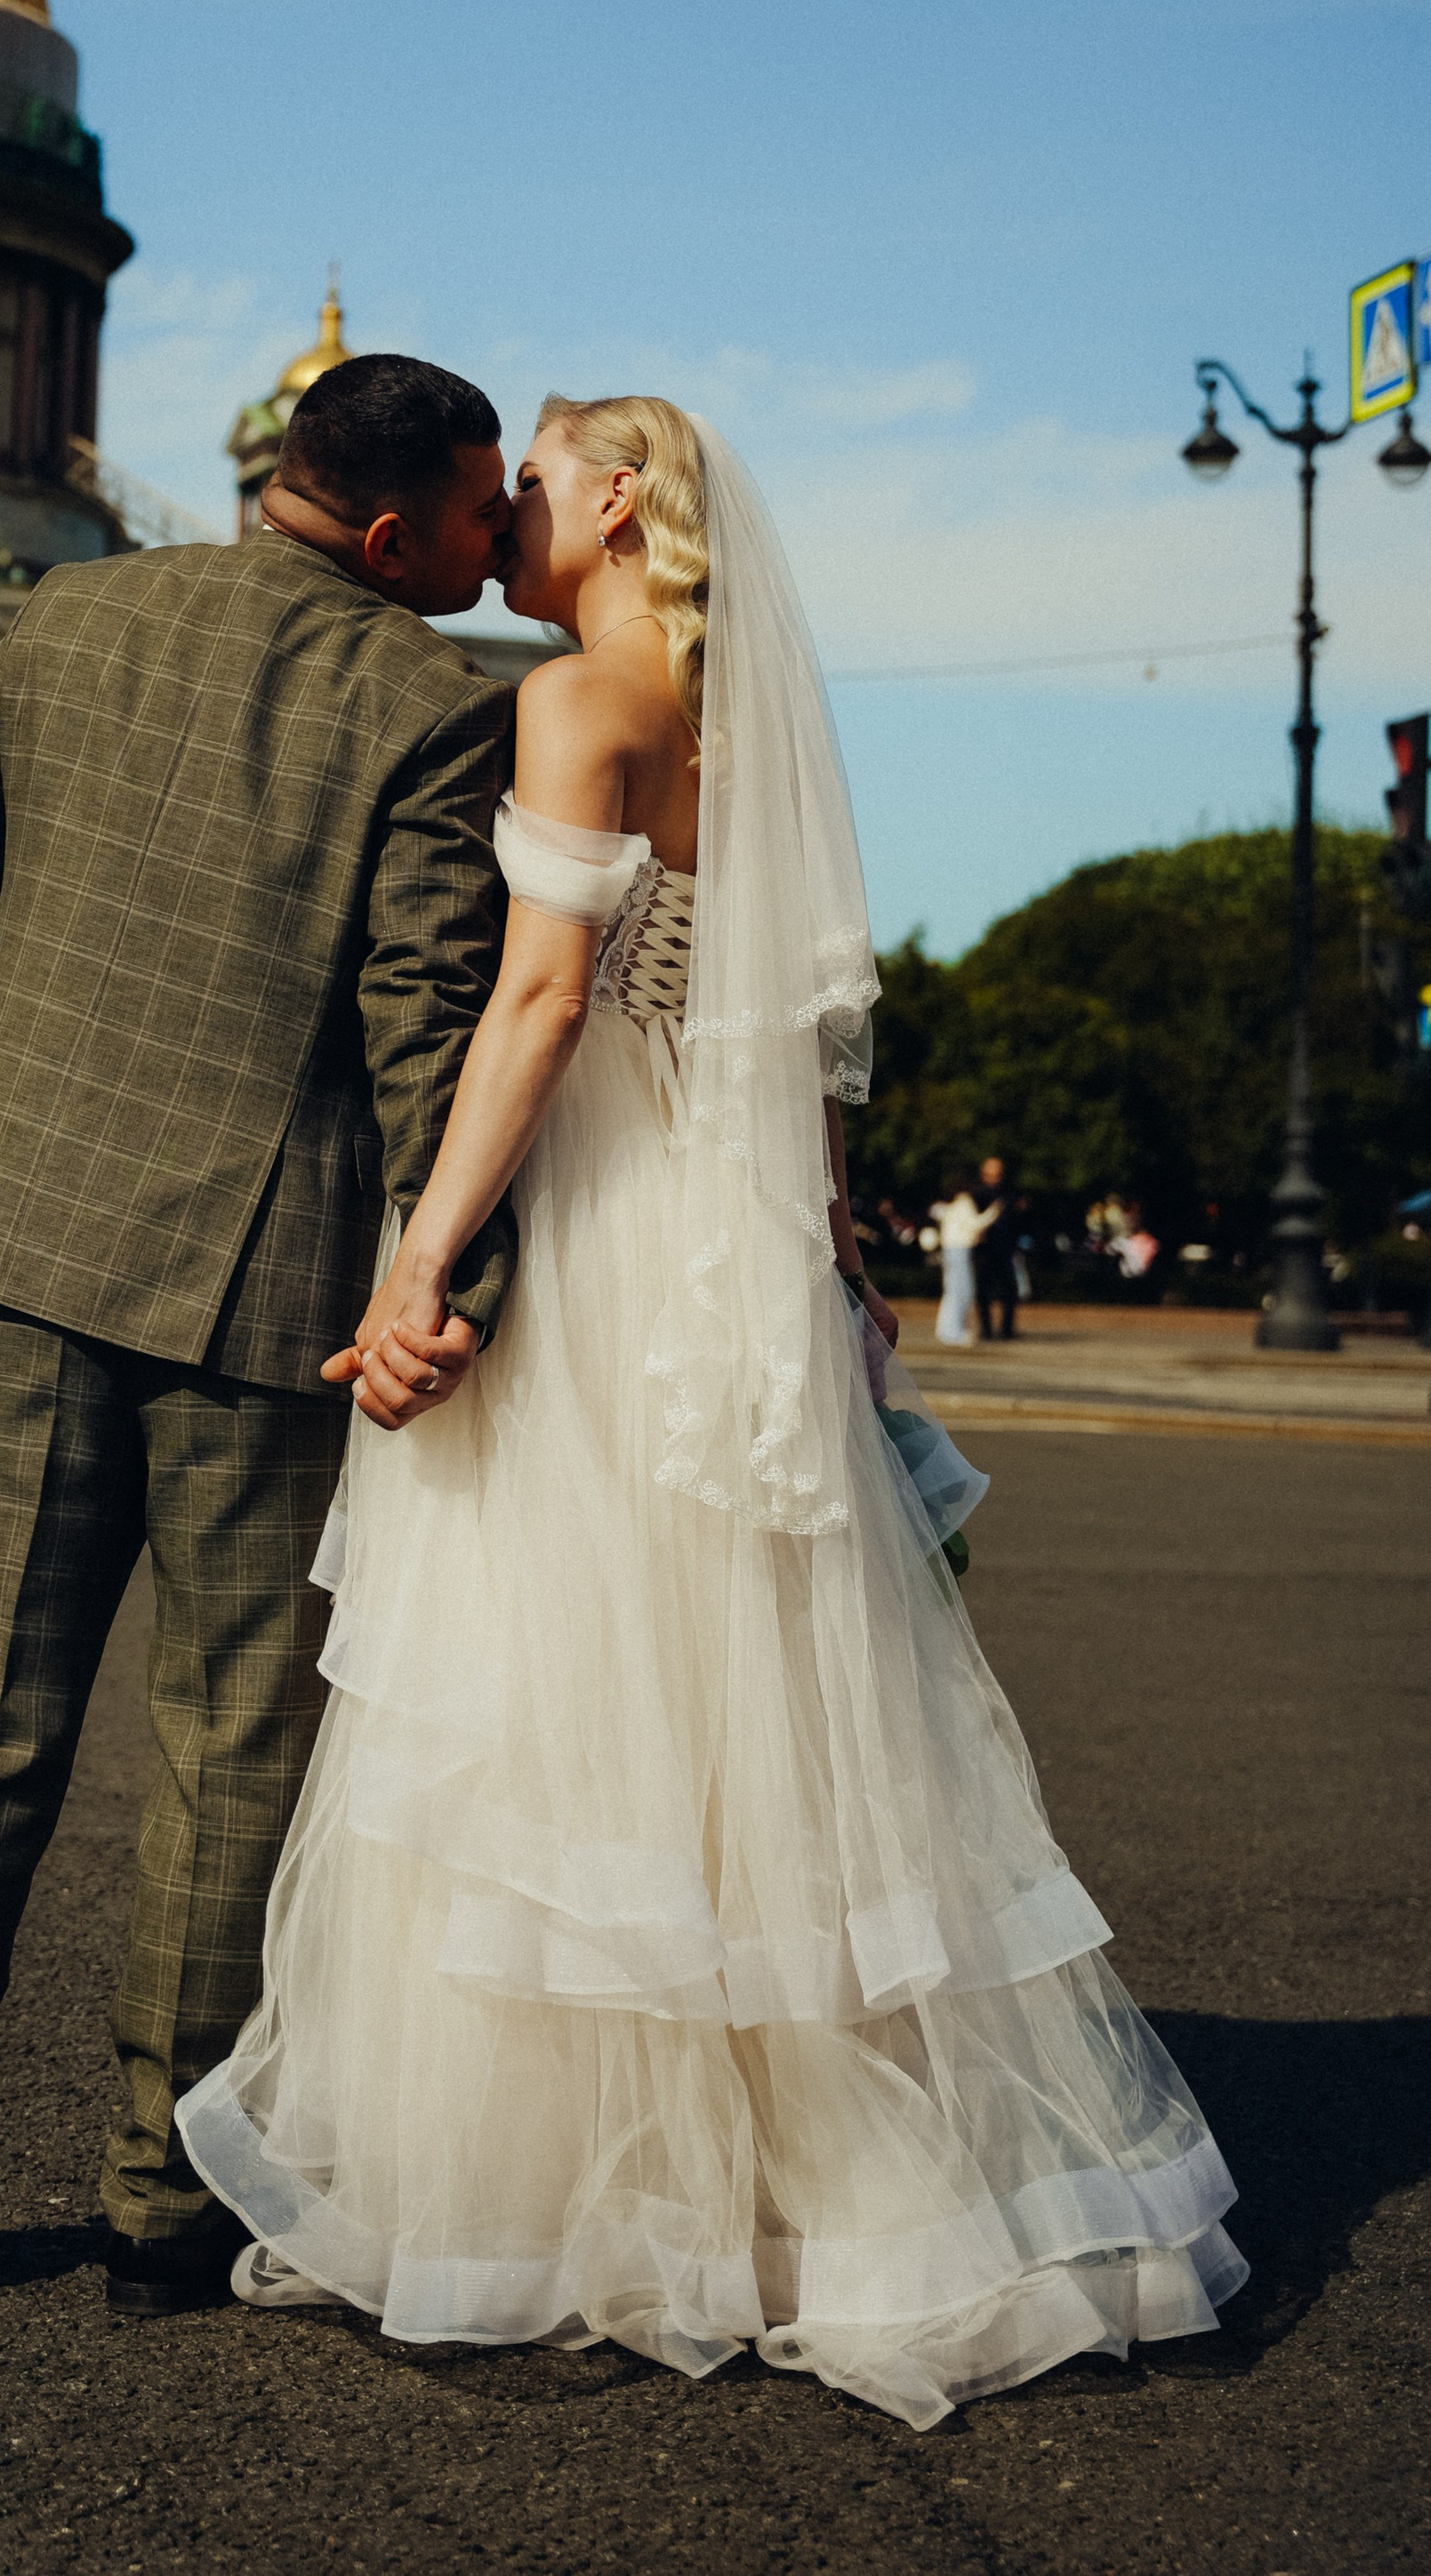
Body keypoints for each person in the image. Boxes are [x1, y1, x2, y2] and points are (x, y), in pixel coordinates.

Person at [178, 394, 1244, 2428]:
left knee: (564, 1689)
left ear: (613, 508)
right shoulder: (748, 728)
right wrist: (823, 1247)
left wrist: (423, 1252)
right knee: (749, 1700)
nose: (510, 508)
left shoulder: (577, 696)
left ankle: (585, 2192)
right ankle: (810, 2186)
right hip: (724, 1234)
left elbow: (537, 1001)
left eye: (543, 475)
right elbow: (794, 1041)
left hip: (594, 1233)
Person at [0, 355, 519, 2312]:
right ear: (380, 532)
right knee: (227, 1754)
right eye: (468, 511)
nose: (489, 539)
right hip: (263, 1301)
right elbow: (415, 1015)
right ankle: (160, 2206)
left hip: (20, 1249)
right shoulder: (435, 708)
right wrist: (441, 1277)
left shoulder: (68, 607)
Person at [928, 1175, 984, 1345]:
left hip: (951, 1250)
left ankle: (948, 1331)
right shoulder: (964, 1202)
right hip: (959, 1250)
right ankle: (953, 1332)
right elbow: (975, 1224)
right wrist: (993, 1213)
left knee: (953, 1290)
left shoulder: (949, 1206)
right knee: (961, 1291)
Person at [974, 1155, 1022, 1342]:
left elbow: (1014, 1220)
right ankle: (986, 1329)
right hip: (985, 1249)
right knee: (984, 1291)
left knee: (1009, 1289)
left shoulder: (1008, 1193)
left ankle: (1007, 1329)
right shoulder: (978, 1194)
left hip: (1004, 1247)